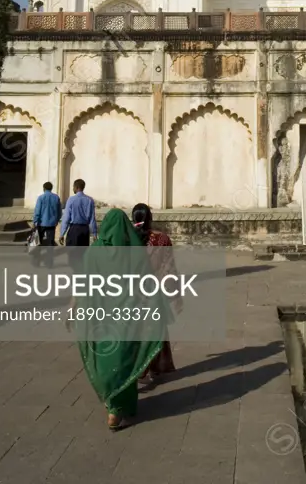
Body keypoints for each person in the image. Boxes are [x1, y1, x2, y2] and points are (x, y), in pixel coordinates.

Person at [76, 209, 168, 430]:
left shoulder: (95, 251)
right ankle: (120, 406)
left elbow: (82, 284)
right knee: (125, 361)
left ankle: (114, 409)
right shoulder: (135, 252)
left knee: (108, 361)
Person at [131, 203, 179, 379]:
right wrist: (175, 295)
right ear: (150, 218)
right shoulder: (162, 240)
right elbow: (169, 269)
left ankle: (138, 367)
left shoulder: (126, 240)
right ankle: (155, 366)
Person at [60, 178, 97, 245]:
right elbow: (92, 219)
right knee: (82, 253)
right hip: (85, 230)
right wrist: (94, 233)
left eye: (73, 187)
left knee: (72, 253)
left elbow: (66, 218)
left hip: (74, 229)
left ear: (76, 187)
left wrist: (62, 233)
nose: (72, 189)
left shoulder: (71, 200)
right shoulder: (90, 200)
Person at [33, 182, 62, 246]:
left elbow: (37, 211)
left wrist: (35, 221)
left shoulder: (40, 198)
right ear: (51, 188)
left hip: (41, 223)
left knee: (39, 241)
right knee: (51, 241)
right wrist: (57, 220)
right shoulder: (56, 197)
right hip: (52, 223)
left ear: (44, 188)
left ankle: (38, 255)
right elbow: (59, 211)